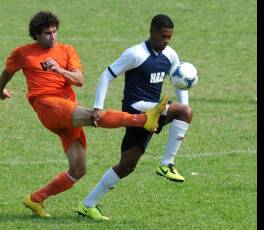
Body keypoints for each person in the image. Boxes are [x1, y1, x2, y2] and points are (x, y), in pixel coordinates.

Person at [0, 11, 168, 218]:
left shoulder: (67, 51)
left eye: (54, 32)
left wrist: (59, 70)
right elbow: (8, 71)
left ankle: (35, 199)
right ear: (36, 35)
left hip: (67, 107)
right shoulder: (22, 53)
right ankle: (142, 119)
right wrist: (0, 89)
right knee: (93, 115)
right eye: (46, 33)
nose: (52, 36)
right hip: (47, 106)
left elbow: (79, 80)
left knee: (78, 169)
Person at [76, 14, 193, 220]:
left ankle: (87, 204)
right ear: (152, 32)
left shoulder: (170, 55)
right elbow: (107, 75)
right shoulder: (136, 54)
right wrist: (97, 107)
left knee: (127, 166)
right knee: (184, 112)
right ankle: (166, 164)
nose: (166, 41)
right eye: (163, 36)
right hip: (135, 110)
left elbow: (178, 81)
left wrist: (184, 105)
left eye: (169, 37)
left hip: (153, 113)